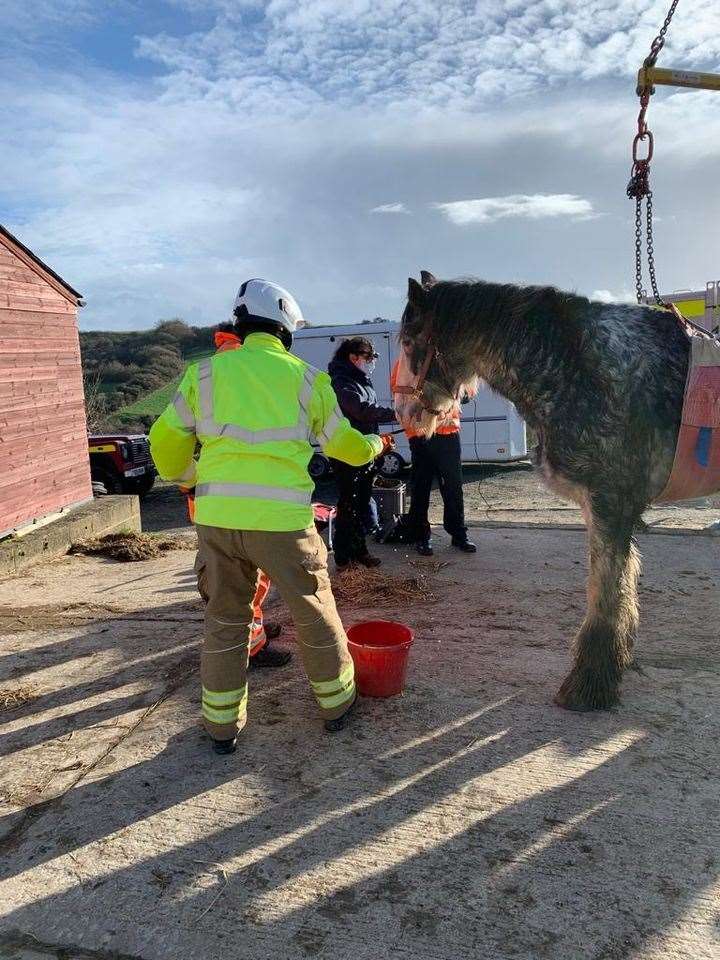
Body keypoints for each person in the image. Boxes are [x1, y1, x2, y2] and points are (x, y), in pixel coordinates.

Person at [150, 279, 392, 755]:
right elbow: (344, 445)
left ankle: (222, 728)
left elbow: (164, 442)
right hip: (282, 522)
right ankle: (336, 705)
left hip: (218, 522)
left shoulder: (203, 376)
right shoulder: (308, 380)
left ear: (241, 324)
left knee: (225, 618)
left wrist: (189, 474)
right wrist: (373, 446)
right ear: (285, 328)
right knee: (314, 609)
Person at [182, 322, 292, 670]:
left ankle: (253, 632)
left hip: (214, 495)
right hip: (241, 500)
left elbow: (174, 438)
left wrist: (188, 480)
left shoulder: (213, 367)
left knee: (240, 577)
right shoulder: (240, 364)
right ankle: (251, 647)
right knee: (249, 579)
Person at [391, 341, 476, 557]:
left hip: (448, 434)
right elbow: (400, 401)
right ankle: (421, 536)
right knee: (421, 488)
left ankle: (459, 534)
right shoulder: (404, 367)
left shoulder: (447, 363)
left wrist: (458, 391)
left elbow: (468, 393)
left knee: (453, 487)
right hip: (420, 437)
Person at [328, 337, 396, 568]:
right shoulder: (341, 381)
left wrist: (379, 443)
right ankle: (344, 556)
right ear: (354, 357)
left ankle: (359, 551)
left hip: (363, 449)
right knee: (349, 504)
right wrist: (398, 414)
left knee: (361, 501)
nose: (370, 363)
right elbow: (362, 411)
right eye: (367, 358)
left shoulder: (360, 379)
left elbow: (369, 417)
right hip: (347, 453)